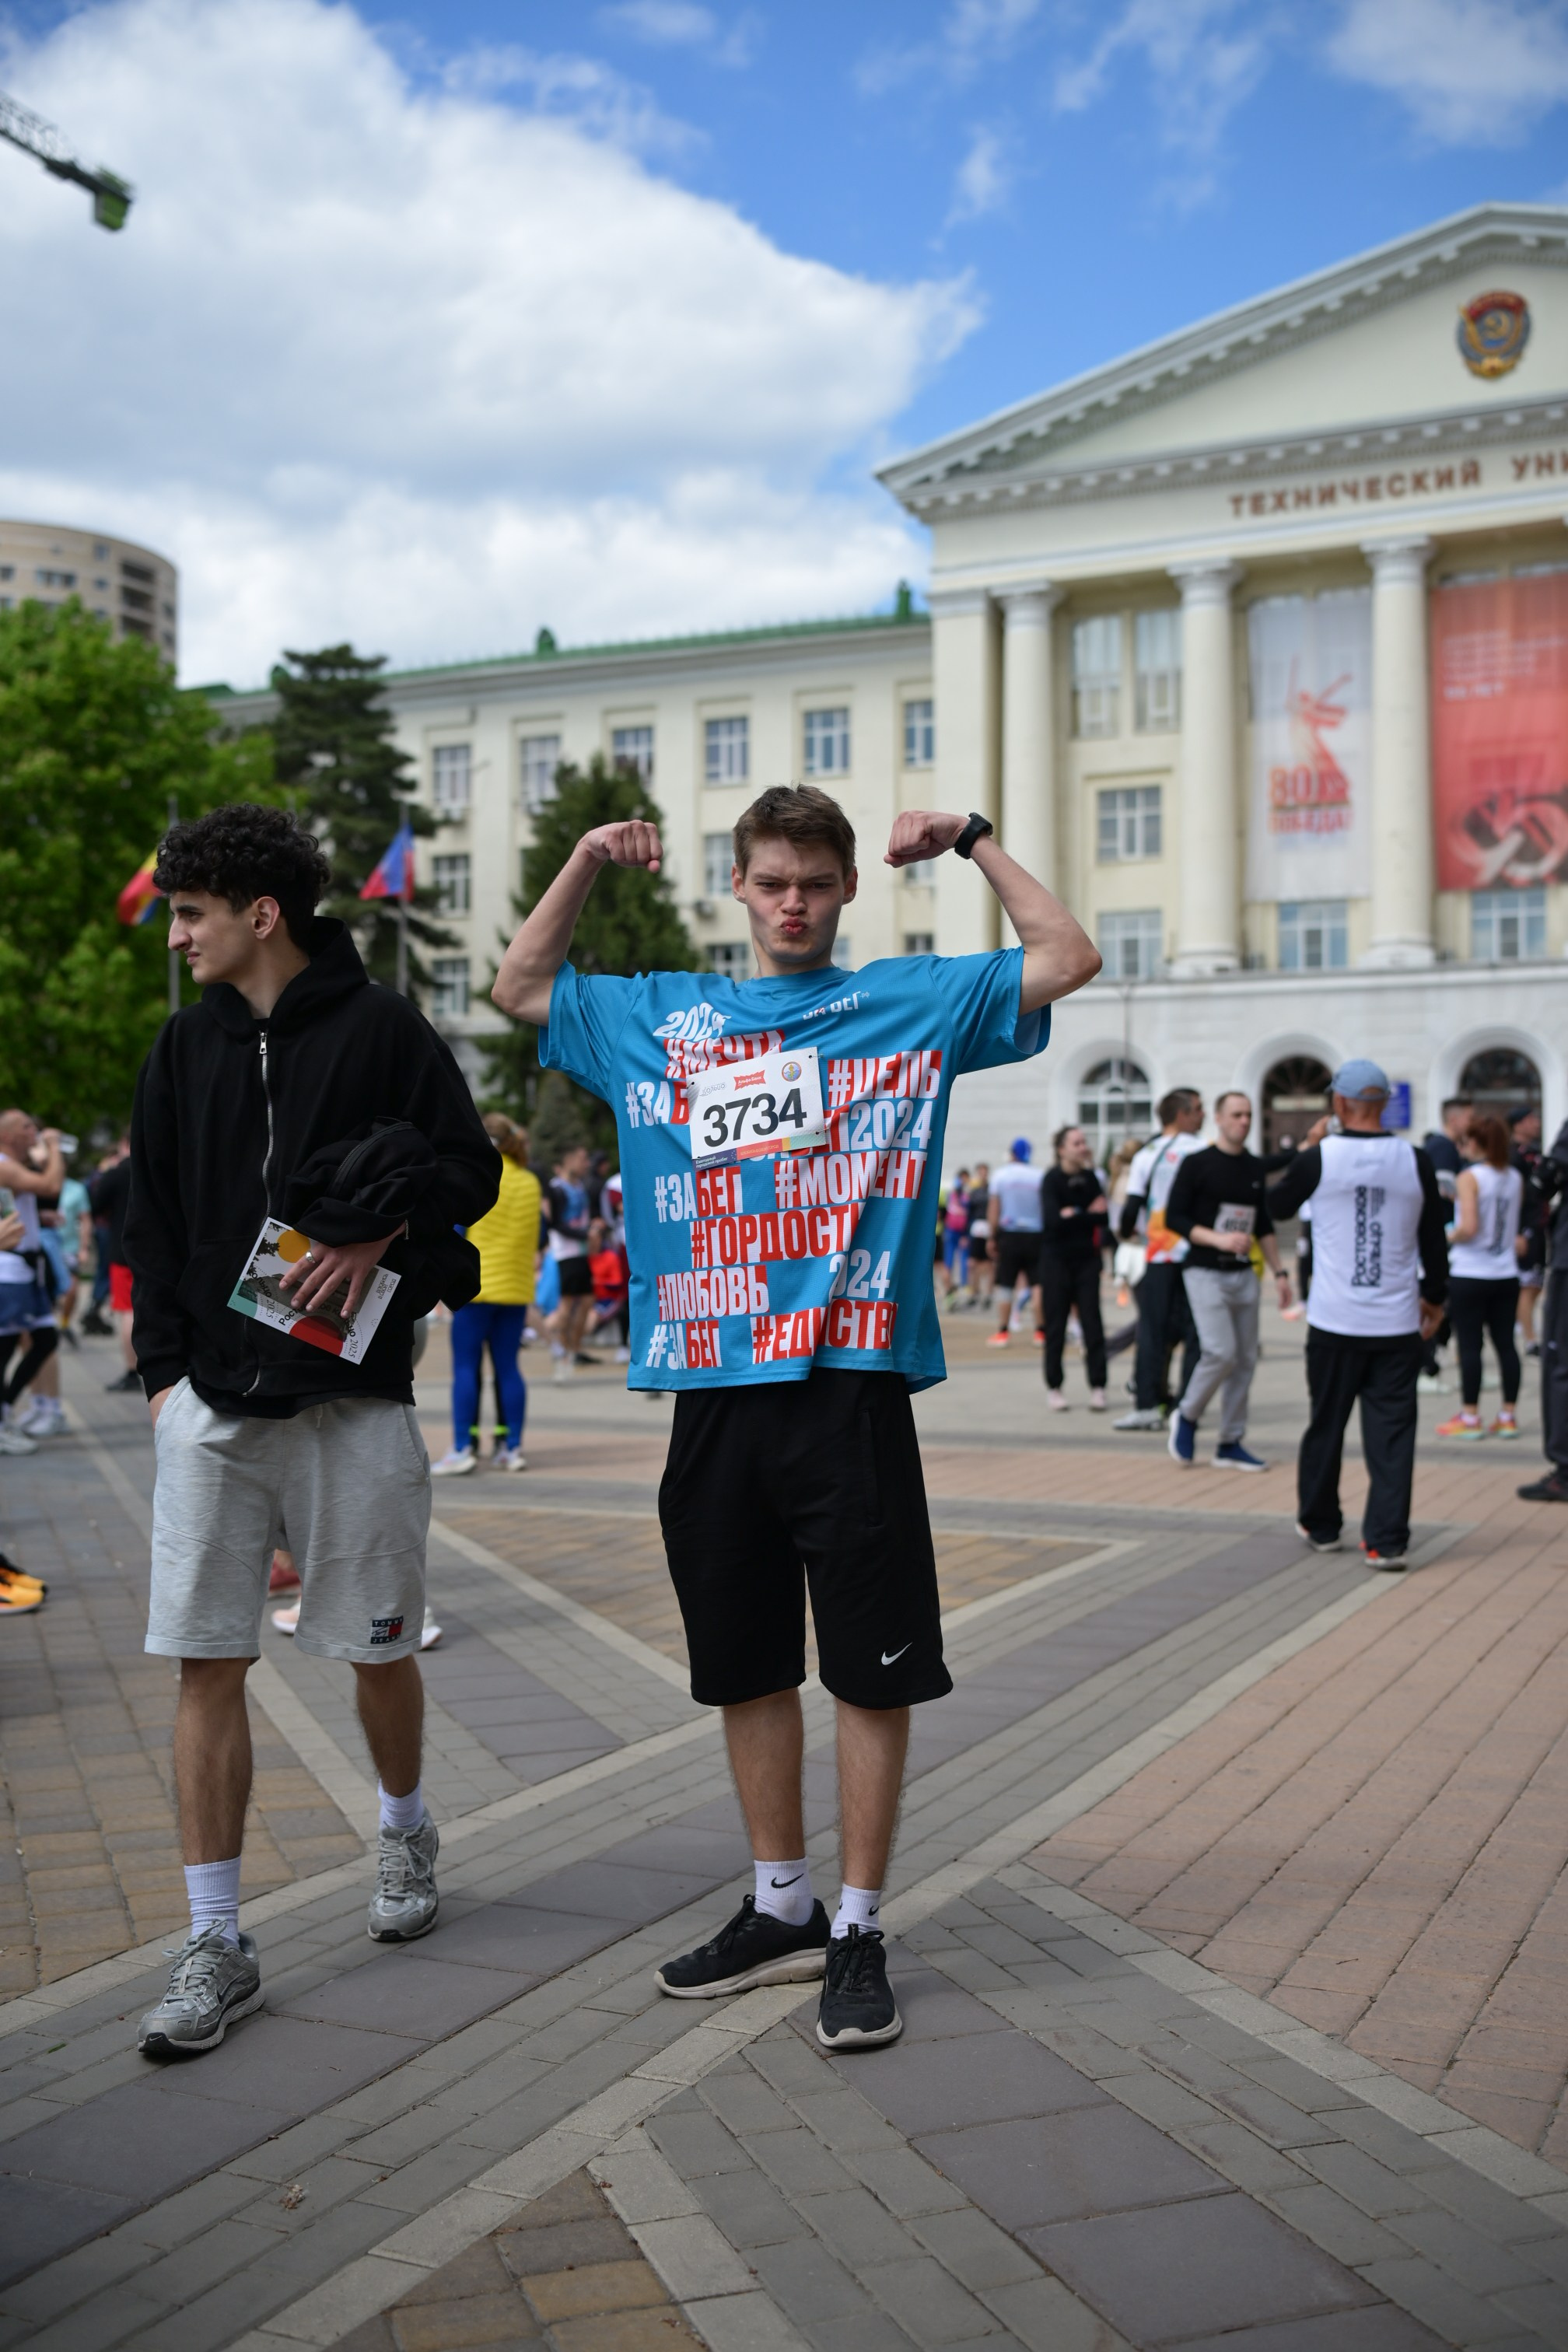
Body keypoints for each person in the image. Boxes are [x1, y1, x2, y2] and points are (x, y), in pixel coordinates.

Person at [491, 782, 1098, 2049]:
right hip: (709, 1388)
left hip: (850, 1379)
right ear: (741, 886)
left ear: (846, 890)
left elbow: (1066, 954)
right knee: (747, 1660)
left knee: (871, 1667)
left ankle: (861, 1921)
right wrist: (589, 854)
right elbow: (519, 985)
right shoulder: (658, 1013)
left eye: (814, 883)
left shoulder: (910, 1000)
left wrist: (974, 839)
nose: (793, 903)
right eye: (771, 881)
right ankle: (781, 1903)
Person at [123, 803, 497, 2060]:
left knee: (374, 1646)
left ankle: (404, 1823)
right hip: (215, 1406)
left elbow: (468, 1172)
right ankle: (215, 1937)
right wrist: (168, 1376)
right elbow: (155, 1218)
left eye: (190, 911)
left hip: (355, 1398)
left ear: (257, 913)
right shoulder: (183, 1045)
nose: (176, 932)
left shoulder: (383, 1025)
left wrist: (384, 1236)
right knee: (204, 1655)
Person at [1268, 1060, 1447, 1571]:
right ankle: (1386, 1541)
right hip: (1396, 1322)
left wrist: (1307, 1147)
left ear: (1340, 1104)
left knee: (1326, 1423)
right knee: (1392, 1433)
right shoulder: (1415, 1160)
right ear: (1385, 1103)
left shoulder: (1319, 1158)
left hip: (1334, 1321)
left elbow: (1277, 1206)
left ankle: (1322, 1524)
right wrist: (1434, 1299)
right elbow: (1434, 1239)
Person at [1164, 1090, 1292, 1470]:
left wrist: (1280, 1272)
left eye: (1249, 1115)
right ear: (1218, 1118)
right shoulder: (1196, 1163)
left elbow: (1263, 1223)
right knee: (1220, 1352)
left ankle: (1230, 1441)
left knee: (1246, 1359)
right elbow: (1175, 1218)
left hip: (1243, 1275)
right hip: (1204, 1271)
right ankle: (1186, 1415)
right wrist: (1217, 1237)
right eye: (1236, 1115)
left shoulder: (1253, 1168)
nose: (1244, 1122)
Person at [432, 1115, 541, 1476]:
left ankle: (463, 1447)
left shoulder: (479, 1174)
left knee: (465, 1367)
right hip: (516, 1287)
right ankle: (512, 1449)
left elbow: (457, 1229)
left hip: (475, 1288)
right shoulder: (529, 1181)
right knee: (509, 1368)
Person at [1114, 1089, 1204, 1431]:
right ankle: (1187, 1406)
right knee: (1196, 1332)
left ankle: (1149, 1403)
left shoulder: (1146, 1153)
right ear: (1181, 1115)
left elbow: (1130, 1211)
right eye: (1197, 1110)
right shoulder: (1203, 1149)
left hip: (1159, 1254)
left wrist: (1130, 1236)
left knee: (1153, 1331)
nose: (1202, 1115)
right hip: (1197, 1253)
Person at [1436, 1112, 1524, 1441]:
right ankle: (1508, 1415)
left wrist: (1447, 1234)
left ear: (1474, 1142)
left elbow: (1469, 1228)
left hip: (1471, 1272)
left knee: (1471, 1345)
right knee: (1506, 1345)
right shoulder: (1513, 1177)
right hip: (1505, 1272)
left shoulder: (1470, 1176)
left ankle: (1470, 1416)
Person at [0, 1111, 66, 1447]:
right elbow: (51, 1185)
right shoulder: (4, 1164)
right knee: (9, 1346)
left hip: (24, 1270)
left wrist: (39, 1216)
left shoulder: (12, 1167)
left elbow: (10, 1206)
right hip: (9, 1270)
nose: (35, 1132)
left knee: (44, 1339)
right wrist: (54, 1147)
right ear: (9, 1135)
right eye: (27, 1127)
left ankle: (9, 1407)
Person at [1037, 1126, 1108, 1410]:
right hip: (1056, 1262)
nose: (1083, 1147)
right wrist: (1086, 1213)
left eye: (1083, 1142)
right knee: (1056, 1325)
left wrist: (1076, 1214)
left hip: (1087, 1261)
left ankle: (1098, 1386)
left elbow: (1103, 1218)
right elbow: (1053, 1220)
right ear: (1062, 1149)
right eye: (1076, 1143)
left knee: (1093, 1324)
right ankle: (1055, 1386)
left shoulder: (1091, 1178)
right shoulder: (1051, 1180)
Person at [89, 1138, 139, 1391]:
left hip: (123, 1250)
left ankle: (132, 1371)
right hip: (159, 1251)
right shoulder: (161, 1165)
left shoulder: (117, 1173)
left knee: (127, 1311)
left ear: (123, 1144)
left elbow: (96, 1206)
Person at [545, 1143, 594, 1382]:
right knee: (566, 1305)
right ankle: (557, 1348)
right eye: (583, 1158)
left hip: (580, 1251)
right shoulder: (557, 1188)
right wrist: (585, 1234)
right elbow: (556, 1223)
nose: (587, 1164)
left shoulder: (580, 1187)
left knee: (585, 1301)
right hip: (565, 1252)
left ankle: (570, 1350)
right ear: (569, 1159)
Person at [987, 1139, 1043, 1346]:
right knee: (1038, 1284)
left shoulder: (1001, 1176)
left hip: (1009, 1234)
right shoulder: (1038, 1176)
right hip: (1035, 1234)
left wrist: (992, 1236)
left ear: (1012, 1154)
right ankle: (1041, 1332)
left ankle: (1003, 1332)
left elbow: (994, 1209)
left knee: (1006, 1284)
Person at [1510, 1105, 1546, 1356]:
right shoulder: (1513, 1156)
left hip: (1538, 1226)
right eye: (1530, 1119)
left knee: (1535, 1285)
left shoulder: (1533, 1153)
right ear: (1518, 1124)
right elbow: (1513, 1197)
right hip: (1524, 1229)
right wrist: (1517, 1231)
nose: (1536, 1123)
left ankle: (1525, 1329)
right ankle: (1530, 1339)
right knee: (1528, 1285)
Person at [587, 1216, 631, 1357]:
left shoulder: (611, 1256)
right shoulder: (586, 1257)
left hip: (609, 1299)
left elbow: (617, 1283)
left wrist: (598, 1282)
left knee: (592, 1317)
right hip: (590, 1300)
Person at [940, 1171, 970, 1304]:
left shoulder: (966, 1196)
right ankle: (950, 1289)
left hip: (958, 1232)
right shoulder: (951, 1195)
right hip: (950, 1231)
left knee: (961, 1260)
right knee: (948, 1262)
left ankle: (958, 1287)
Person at [965, 1162, 992, 1308]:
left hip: (988, 1227)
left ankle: (988, 1294)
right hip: (977, 1228)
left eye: (985, 1172)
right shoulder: (974, 1192)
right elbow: (969, 1212)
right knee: (973, 1262)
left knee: (988, 1263)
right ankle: (974, 1292)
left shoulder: (992, 1190)